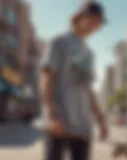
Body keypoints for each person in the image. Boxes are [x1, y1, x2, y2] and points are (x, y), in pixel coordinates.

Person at [39, 1, 108, 160]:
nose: (95, 26)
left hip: (83, 127)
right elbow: (46, 77)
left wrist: (100, 120)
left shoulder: (89, 53)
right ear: (80, 17)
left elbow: (88, 89)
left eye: (98, 23)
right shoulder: (59, 41)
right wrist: (51, 116)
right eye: (92, 20)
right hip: (59, 123)